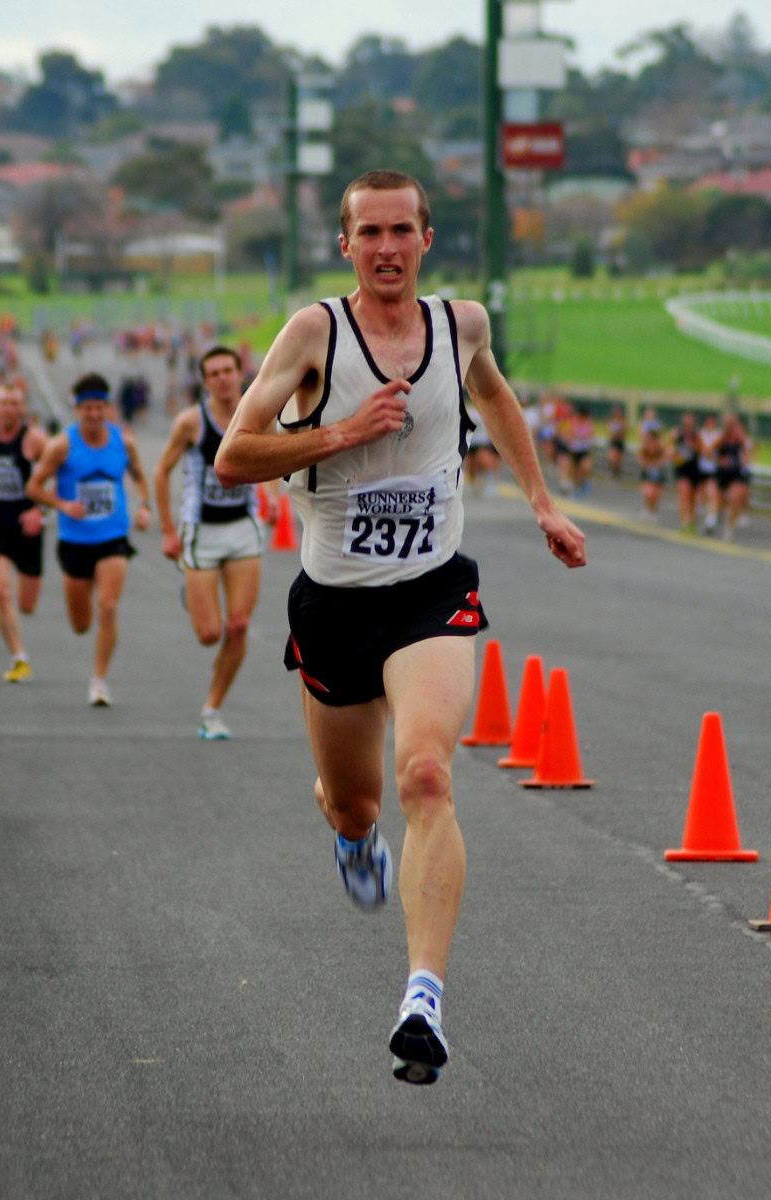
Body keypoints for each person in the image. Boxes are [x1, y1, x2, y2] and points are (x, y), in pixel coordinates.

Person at [213, 169, 586, 1086]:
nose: (385, 247)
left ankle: (423, 997)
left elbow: (491, 396)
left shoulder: (462, 325)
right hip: (334, 601)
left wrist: (541, 500)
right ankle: (348, 836)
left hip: (430, 591)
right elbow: (233, 456)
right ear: (345, 245)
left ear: (426, 239)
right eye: (367, 232)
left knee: (425, 773)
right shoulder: (313, 334)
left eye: (400, 231)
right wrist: (337, 433)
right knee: (358, 801)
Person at [152, 346, 265, 739]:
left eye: (227, 370)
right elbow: (161, 473)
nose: (222, 378)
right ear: (205, 381)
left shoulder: (258, 412)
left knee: (238, 627)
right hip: (201, 532)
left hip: (242, 529)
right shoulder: (191, 422)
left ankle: (211, 709)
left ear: (240, 373)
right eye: (213, 373)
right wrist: (168, 530)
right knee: (209, 634)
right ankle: (193, 587)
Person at [26, 374, 154, 707]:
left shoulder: (123, 442)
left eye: (100, 408)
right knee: (81, 624)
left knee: (108, 606)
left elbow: (139, 476)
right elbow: (34, 487)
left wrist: (144, 506)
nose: (94, 415)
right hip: (74, 540)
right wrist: (62, 504)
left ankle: (98, 680)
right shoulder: (61, 446)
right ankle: (91, 643)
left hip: (112, 537)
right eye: (87, 409)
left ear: (108, 408)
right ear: (77, 409)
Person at [0, 383, 48, 682]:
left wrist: (41, 511)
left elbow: (58, 479)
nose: (9, 410)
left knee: (27, 605)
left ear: (23, 408)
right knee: (1, 591)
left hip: (27, 529)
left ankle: (18, 639)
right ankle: (19, 656)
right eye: (3, 403)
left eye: (15, 404)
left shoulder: (36, 441)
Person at [714, 413, 752, 541]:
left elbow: (749, 453)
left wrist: (741, 438)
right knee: (720, 501)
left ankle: (729, 528)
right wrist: (720, 460)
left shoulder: (741, 439)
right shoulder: (722, 438)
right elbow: (712, 452)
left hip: (736, 473)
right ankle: (720, 515)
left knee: (735, 498)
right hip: (723, 473)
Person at [672, 413, 702, 533]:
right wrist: (676, 454)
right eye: (686, 422)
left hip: (694, 468)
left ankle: (691, 522)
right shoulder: (676, 433)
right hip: (682, 468)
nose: (688, 425)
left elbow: (702, 450)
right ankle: (685, 522)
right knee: (684, 493)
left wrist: (694, 447)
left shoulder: (697, 435)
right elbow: (669, 447)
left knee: (693, 497)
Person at [696, 413, 723, 534]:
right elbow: (702, 449)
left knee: (712, 493)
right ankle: (703, 515)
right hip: (702, 468)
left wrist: (709, 450)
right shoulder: (701, 434)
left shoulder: (719, 435)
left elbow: (712, 449)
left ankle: (710, 520)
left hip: (713, 469)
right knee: (701, 494)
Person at [637, 424, 668, 517]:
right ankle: (647, 507)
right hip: (648, 472)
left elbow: (665, 457)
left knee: (655, 494)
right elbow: (640, 457)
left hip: (657, 473)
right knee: (648, 492)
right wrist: (646, 464)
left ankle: (652, 510)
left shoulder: (660, 446)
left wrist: (657, 463)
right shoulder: (645, 446)